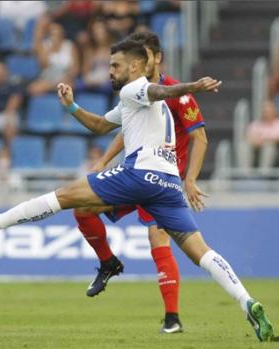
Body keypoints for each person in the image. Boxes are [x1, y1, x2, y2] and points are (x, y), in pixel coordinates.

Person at [0, 39, 273, 342]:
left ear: (136, 66)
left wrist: (191, 86)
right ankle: (248, 303)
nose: (110, 71)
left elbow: (161, 92)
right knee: (201, 252)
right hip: (168, 185)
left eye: (115, 65)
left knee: (64, 197)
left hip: (139, 174)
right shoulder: (132, 101)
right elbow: (102, 126)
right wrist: (72, 107)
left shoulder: (136, 88)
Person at [70, 31, 209, 334]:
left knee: (157, 240)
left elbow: (199, 137)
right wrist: (105, 161)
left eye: (145, 55)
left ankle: (172, 319)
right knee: (82, 207)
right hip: (135, 174)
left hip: (164, 181)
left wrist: (191, 180)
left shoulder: (178, 93)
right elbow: (122, 130)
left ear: (157, 58)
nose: (139, 62)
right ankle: (108, 263)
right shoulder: (135, 92)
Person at [28, 22, 79, 96]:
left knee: (70, 86)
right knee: (33, 88)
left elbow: (75, 69)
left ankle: (50, 88)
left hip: (65, 79)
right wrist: (50, 50)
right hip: (47, 78)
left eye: (58, 34)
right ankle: (53, 88)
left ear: (62, 34)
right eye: (53, 34)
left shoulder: (70, 46)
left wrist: (67, 78)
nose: (55, 36)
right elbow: (43, 65)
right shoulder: (45, 45)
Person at [246, 100, 279, 168]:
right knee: (244, 145)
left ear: (275, 111)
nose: (267, 113)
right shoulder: (256, 124)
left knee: (269, 146)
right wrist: (259, 141)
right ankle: (244, 173)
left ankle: (264, 173)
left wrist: (265, 140)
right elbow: (249, 137)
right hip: (257, 149)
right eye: (265, 111)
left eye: (269, 111)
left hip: (276, 151)